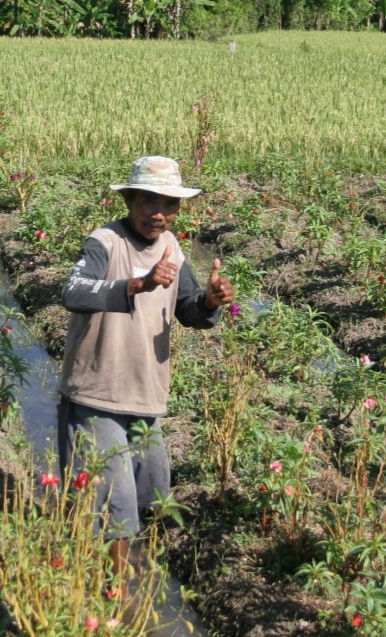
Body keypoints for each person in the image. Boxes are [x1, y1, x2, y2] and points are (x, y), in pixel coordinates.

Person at [57, 155, 234, 592]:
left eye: (170, 204)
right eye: (149, 201)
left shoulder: (173, 248)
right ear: (129, 200)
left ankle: (115, 567)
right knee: (113, 498)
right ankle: (114, 591)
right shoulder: (105, 243)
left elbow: (189, 309)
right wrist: (138, 284)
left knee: (152, 488)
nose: (159, 212)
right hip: (96, 392)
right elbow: (73, 291)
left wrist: (210, 302)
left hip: (145, 394)